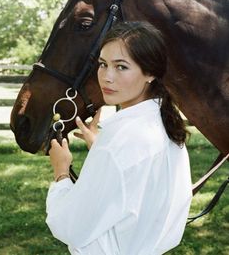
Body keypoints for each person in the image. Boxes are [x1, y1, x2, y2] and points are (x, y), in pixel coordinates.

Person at [46, 21, 192, 255]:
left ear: (150, 72)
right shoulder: (162, 125)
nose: (106, 77)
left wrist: (61, 172)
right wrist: (100, 149)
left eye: (121, 67)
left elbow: (71, 228)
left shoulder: (120, 144)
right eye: (103, 64)